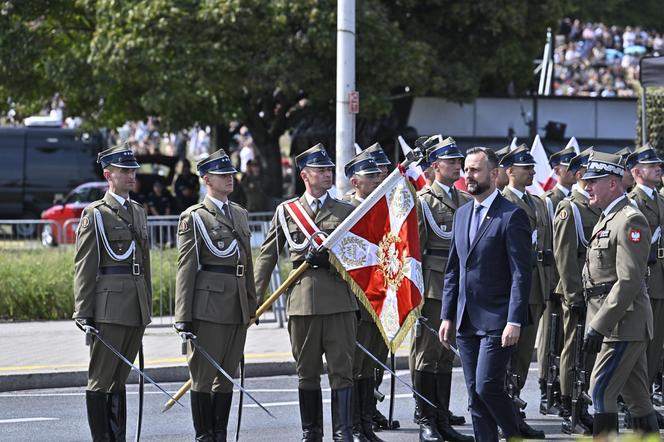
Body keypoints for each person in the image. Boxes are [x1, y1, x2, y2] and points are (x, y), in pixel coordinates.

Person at [253, 143, 358, 441]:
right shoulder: (287, 212)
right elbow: (267, 257)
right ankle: (311, 433)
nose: (327, 175)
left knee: (342, 371)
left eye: (329, 170)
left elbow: (361, 256)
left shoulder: (346, 211)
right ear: (305, 175)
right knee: (307, 372)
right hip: (302, 304)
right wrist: (253, 301)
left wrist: (333, 259)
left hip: (339, 302)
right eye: (321, 170)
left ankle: (343, 433)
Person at [439, 147, 532, 442]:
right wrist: (446, 315)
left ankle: (515, 435)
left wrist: (514, 320)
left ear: (494, 175)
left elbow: (521, 273)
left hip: (497, 320)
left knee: (487, 387)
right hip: (466, 320)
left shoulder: (511, 215)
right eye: (466, 169)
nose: (468, 175)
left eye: (475, 169)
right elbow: (454, 269)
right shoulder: (463, 214)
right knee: (475, 397)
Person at [173, 149, 257, 441]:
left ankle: (219, 433)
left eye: (231, 173)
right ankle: (204, 435)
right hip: (208, 306)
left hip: (236, 306)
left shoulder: (239, 214)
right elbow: (186, 268)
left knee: (227, 376)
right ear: (207, 179)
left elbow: (246, 263)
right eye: (223, 175)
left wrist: (251, 303)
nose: (229, 178)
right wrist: (183, 317)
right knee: (204, 376)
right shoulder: (194, 218)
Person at [73, 143, 152, 441]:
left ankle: (118, 437)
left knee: (120, 379)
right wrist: (84, 312)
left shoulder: (139, 212)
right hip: (109, 308)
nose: (131, 175)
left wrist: (147, 304)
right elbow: (85, 265)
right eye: (124, 170)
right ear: (109, 175)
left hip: (134, 307)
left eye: (132, 170)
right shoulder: (95, 214)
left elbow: (145, 265)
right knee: (101, 380)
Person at [580, 151, 659, 437]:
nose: (586, 186)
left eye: (593, 181)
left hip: (622, 324)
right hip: (618, 322)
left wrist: (599, 325)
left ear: (612, 184)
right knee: (637, 398)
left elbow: (628, 281)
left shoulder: (629, 219)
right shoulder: (609, 217)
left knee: (600, 391)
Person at [412, 136, 473, 442]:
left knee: (446, 354)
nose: (457, 166)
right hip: (433, 286)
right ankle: (426, 421)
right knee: (428, 354)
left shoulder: (465, 200)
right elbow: (416, 251)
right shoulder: (423, 201)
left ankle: (442, 419)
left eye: (457, 161)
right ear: (435, 166)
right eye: (450, 162)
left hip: (460, 286)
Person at [499, 145, 551, 439]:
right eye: (526, 168)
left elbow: (547, 248)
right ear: (509, 172)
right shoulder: (502, 202)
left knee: (521, 359)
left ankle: (515, 413)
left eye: (532, 167)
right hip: (513, 290)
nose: (532, 172)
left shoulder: (537, 202)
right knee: (508, 357)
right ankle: (505, 417)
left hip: (535, 288)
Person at [551, 148, 598, 434]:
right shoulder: (571, 209)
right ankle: (570, 405)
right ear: (580, 175)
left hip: (595, 292)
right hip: (577, 292)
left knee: (590, 352)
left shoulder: (596, 205)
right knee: (574, 348)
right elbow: (565, 258)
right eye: (591, 175)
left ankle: (582, 403)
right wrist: (573, 296)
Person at [342, 150, 386, 442]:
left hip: (380, 296)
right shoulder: (345, 210)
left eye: (378, 175)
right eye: (371, 176)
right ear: (355, 181)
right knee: (356, 363)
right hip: (355, 298)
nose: (377, 179)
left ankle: (366, 424)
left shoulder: (382, 207)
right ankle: (354, 426)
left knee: (370, 363)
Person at [625, 145, 664, 427]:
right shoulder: (633, 202)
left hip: (661, 279)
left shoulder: (659, 199)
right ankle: (637, 407)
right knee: (644, 347)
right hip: (647, 279)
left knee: (656, 345)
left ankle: (645, 404)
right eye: (652, 166)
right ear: (637, 172)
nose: (659, 168)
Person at [536, 146, 576, 415]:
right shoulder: (549, 201)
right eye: (569, 167)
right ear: (558, 169)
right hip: (552, 278)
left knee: (565, 339)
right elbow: (550, 244)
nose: (575, 172)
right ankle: (545, 388)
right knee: (550, 337)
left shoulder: (578, 199)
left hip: (569, 280)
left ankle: (564, 388)